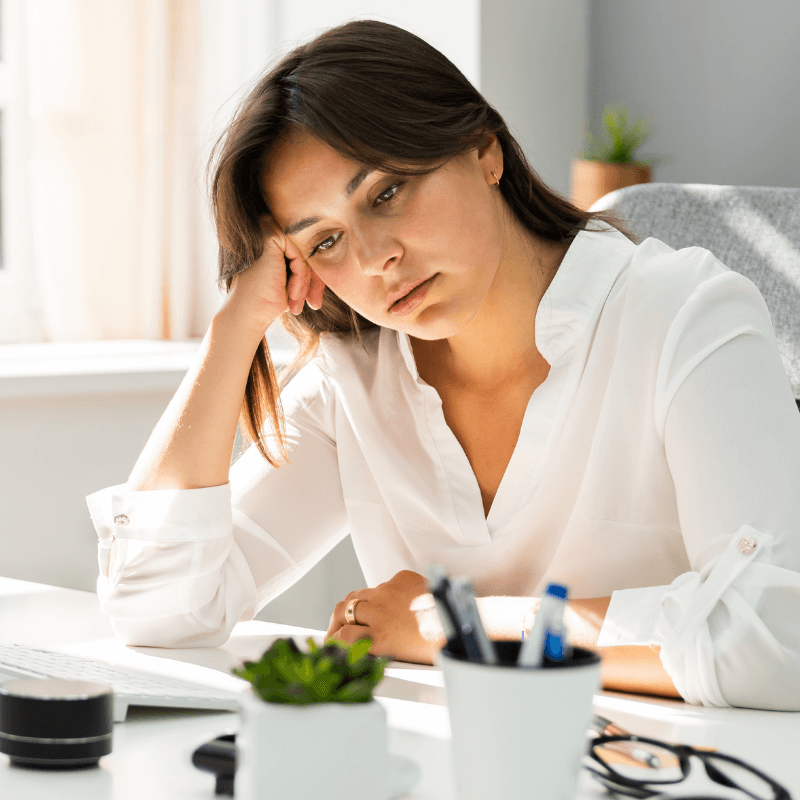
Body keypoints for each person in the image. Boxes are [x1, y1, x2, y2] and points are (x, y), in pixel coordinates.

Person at [87, 20, 800, 710]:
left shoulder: (686, 317)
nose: (374, 260)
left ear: (484, 150)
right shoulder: (356, 378)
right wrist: (234, 326)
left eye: (387, 193)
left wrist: (453, 625)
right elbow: (161, 609)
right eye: (327, 241)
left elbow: (777, 636)